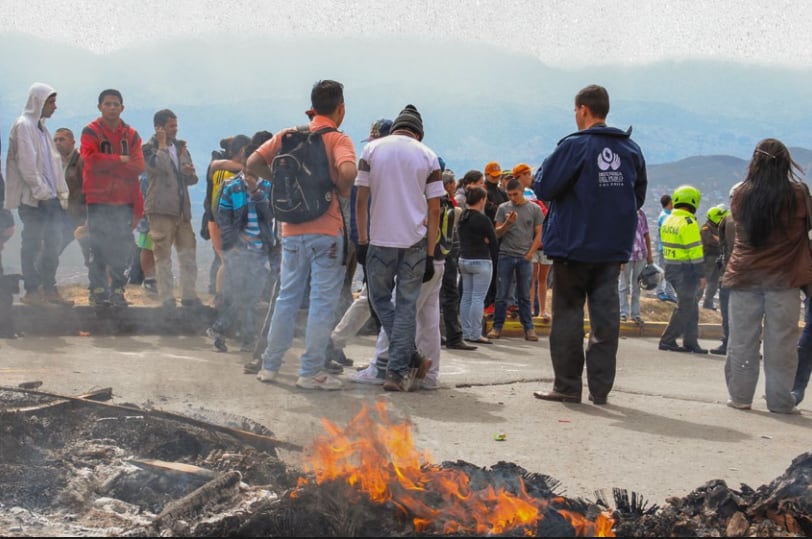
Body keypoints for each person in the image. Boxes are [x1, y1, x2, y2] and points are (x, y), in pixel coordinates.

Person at [532, 84, 647, 405]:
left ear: (582, 109)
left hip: (573, 248)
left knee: (568, 317)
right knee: (605, 321)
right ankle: (600, 390)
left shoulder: (574, 147)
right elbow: (637, 197)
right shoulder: (631, 149)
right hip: (611, 251)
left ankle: (567, 387)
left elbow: (545, 186)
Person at [247, 79, 356, 391]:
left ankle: (270, 365)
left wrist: (284, 184)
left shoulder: (288, 135)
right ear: (340, 108)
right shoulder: (338, 139)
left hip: (291, 230)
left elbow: (253, 163)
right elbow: (347, 174)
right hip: (326, 230)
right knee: (322, 303)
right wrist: (337, 186)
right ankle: (309, 372)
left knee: (286, 298)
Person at [355, 103, 443, 392]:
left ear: (395, 128)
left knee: (380, 301)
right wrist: (430, 254)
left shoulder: (372, 151)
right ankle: (396, 373)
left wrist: (362, 240)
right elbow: (434, 211)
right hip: (415, 244)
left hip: (379, 240)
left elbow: (360, 199)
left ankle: (408, 360)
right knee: (407, 306)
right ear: (419, 133)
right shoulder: (429, 156)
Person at [722, 139, 812, 414]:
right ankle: (780, 401)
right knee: (782, 344)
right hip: (784, 281)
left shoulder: (740, 194)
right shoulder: (798, 195)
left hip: (744, 277)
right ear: (786, 164)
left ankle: (740, 397)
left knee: (741, 340)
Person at [4, 83, 73, 307]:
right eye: (51, 102)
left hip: (50, 197)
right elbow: (26, 164)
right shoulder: (24, 126)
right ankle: (32, 291)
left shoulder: (41, 127)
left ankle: (48, 287)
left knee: (54, 242)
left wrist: (59, 193)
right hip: (34, 199)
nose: (54, 107)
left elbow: (51, 165)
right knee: (32, 243)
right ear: (38, 102)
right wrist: (41, 191)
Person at [207, 146, 276, 353]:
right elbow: (223, 219)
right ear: (244, 164)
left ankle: (221, 330)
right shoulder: (231, 187)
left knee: (249, 296)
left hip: (260, 249)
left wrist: (255, 192)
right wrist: (234, 243)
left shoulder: (266, 187)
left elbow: (269, 215)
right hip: (239, 251)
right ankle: (246, 338)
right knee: (243, 295)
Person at [80, 89, 145, 307]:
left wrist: (108, 165)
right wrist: (120, 159)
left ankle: (117, 290)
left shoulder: (132, 135)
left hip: (124, 201)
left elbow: (138, 166)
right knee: (97, 246)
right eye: (107, 104)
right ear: (100, 107)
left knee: (120, 247)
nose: (112, 107)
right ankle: (98, 291)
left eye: (116, 104)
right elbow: (90, 161)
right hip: (98, 199)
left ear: (122, 108)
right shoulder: (90, 131)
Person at [142, 109, 201, 309]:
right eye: (170, 126)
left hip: (181, 210)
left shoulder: (181, 148)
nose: (175, 130)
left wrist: (189, 173)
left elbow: (192, 178)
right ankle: (167, 298)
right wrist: (161, 145)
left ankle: (189, 296)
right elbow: (160, 167)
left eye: (176, 126)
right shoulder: (149, 148)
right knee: (162, 255)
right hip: (160, 209)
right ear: (159, 128)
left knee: (188, 253)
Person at [486, 178, 543, 341]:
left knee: (524, 295)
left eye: (515, 194)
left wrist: (530, 253)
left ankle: (529, 329)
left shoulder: (534, 209)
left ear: (521, 191)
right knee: (502, 294)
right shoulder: (504, 208)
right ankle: (497, 327)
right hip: (506, 255)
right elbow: (496, 233)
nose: (512, 198)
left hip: (525, 256)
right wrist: (507, 224)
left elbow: (539, 233)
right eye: (509, 195)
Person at [657, 185, 707, 354]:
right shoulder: (689, 222)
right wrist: (701, 274)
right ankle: (668, 340)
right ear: (693, 201)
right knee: (685, 306)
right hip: (686, 271)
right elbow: (695, 251)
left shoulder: (669, 219)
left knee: (692, 306)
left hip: (671, 267)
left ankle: (691, 342)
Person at [439, 168, 476, 351]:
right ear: (449, 185)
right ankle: (453, 335)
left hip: (445, 252)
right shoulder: (446, 203)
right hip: (446, 253)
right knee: (449, 294)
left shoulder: (446, 201)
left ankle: (445, 334)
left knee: (441, 295)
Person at [457, 186, 498, 344]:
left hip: (464, 259)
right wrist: (486, 240)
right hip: (481, 260)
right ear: (481, 200)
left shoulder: (463, 216)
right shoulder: (482, 219)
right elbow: (493, 240)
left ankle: (466, 332)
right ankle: (475, 333)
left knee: (466, 297)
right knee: (477, 298)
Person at [513, 162, 552, 321]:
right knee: (539, 280)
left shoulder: (536, 203)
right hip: (541, 245)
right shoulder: (541, 201)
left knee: (534, 279)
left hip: (536, 244)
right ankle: (539, 310)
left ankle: (533, 310)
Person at [710, 182, 740, 356]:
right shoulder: (756, 219)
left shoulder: (726, 220)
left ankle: (728, 342)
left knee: (728, 311)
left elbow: (722, 248)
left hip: (729, 274)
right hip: (749, 276)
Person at [53, 127, 89, 264]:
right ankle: (44, 282)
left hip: (80, 215)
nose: (57, 142)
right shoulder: (53, 163)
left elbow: (89, 189)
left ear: (73, 142)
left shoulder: (82, 161)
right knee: (52, 248)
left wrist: (88, 218)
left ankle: (98, 282)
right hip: (61, 215)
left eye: (62, 139)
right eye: (55, 140)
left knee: (90, 250)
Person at [619, 208, 653, 325]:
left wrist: (649, 256)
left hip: (641, 255)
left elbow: (646, 234)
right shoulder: (622, 212)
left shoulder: (642, 214)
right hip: (626, 256)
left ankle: (636, 314)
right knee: (624, 285)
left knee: (637, 286)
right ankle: (623, 313)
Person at [699, 204, 728, 311]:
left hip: (717, 257)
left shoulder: (718, 228)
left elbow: (724, 241)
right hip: (708, 258)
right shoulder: (706, 228)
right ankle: (695, 302)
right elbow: (711, 242)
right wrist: (720, 240)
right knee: (703, 281)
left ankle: (708, 303)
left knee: (714, 282)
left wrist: (719, 239)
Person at [655, 194, 678, 303]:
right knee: (663, 271)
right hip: (665, 248)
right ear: (669, 203)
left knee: (669, 271)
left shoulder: (667, 215)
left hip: (666, 248)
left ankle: (669, 293)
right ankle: (660, 292)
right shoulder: (665, 216)